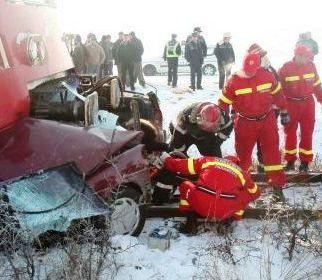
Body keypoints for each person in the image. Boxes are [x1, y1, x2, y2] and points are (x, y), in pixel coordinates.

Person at [219, 52, 288, 201]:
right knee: (243, 157)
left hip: (267, 120)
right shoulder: (233, 80)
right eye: (247, 70)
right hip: (244, 122)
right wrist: (221, 118)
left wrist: (284, 110)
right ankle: (243, 186)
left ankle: (277, 186)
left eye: (253, 70)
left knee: (272, 154)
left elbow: (278, 94)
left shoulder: (267, 76)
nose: (249, 73)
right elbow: (223, 103)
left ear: (258, 67)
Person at [160, 153, 260, 227]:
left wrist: (166, 159)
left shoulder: (209, 161)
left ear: (223, 159)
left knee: (185, 185)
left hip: (201, 207)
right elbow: (255, 193)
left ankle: (190, 218)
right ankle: (231, 220)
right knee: (243, 196)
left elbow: (181, 165)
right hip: (225, 212)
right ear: (237, 163)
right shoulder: (241, 173)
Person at [279, 45, 322, 172]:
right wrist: (281, 109)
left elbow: (317, 86)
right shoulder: (285, 68)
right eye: (305, 57)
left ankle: (305, 162)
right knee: (289, 132)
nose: (308, 59)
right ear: (298, 55)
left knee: (307, 132)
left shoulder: (311, 66)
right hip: (290, 104)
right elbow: (278, 91)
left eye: (309, 57)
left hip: (308, 104)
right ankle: (290, 161)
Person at [247, 43, 280, 173]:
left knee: (266, 139)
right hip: (252, 112)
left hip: (269, 111)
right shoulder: (247, 71)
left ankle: (263, 165)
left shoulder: (270, 70)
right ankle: (252, 167)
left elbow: (277, 90)